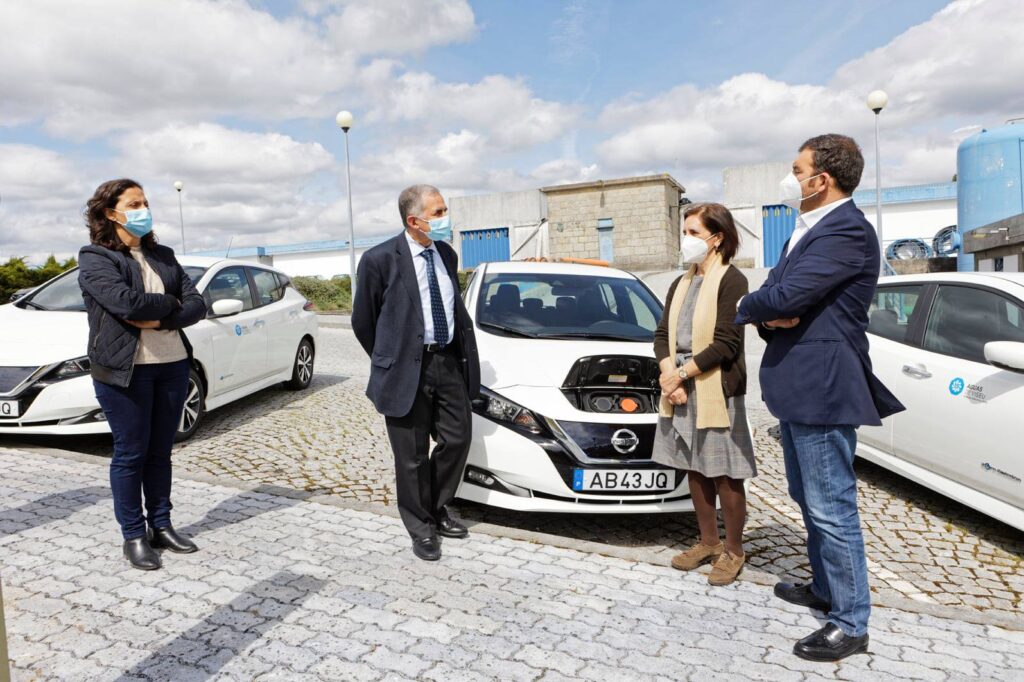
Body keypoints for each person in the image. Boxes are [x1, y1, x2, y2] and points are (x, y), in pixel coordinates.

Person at [736, 134, 904, 661]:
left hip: (825, 386)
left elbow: (782, 296)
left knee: (832, 507)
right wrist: (765, 309)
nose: (791, 179)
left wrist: (752, 304)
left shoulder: (846, 231)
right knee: (807, 496)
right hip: (797, 383)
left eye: (796, 169)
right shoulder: (804, 231)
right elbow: (777, 298)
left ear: (821, 180)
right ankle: (827, 588)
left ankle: (851, 622)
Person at [78, 178, 207, 570]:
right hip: (123, 370)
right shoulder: (95, 257)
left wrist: (159, 316)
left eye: (146, 202)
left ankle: (162, 525)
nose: (143, 210)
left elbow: (198, 305)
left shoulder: (163, 255)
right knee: (130, 453)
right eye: (134, 203)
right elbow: (125, 303)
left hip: (171, 365)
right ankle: (133, 535)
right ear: (109, 212)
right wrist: (170, 303)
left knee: (160, 452)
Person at [352, 184, 481, 561]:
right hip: (405, 369)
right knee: (410, 457)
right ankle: (420, 527)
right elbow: (364, 321)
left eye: (444, 210)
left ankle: (436, 507)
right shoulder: (379, 260)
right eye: (438, 213)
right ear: (414, 220)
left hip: (447, 362)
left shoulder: (446, 253)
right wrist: (389, 359)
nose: (445, 218)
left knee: (457, 439)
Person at [652, 203, 755, 587]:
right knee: (695, 467)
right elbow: (662, 335)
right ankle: (708, 542)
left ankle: (734, 549)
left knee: (725, 473)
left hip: (716, 386)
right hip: (679, 385)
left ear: (717, 238)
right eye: (686, 232)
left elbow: (727, 343)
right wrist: (670, 376)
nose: (686, 240)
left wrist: (680, 373)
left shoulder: (732, 281)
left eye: (694, 233)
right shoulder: (680, 283)